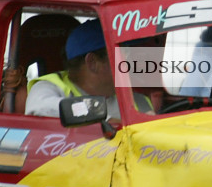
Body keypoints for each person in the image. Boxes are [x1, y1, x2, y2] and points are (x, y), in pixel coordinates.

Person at [24, 19, 152, 118]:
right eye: (124, 53)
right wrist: (102, 116)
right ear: (92, 62)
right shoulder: (49, 87)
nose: (130, 62)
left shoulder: (136, 101)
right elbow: (39, 108)